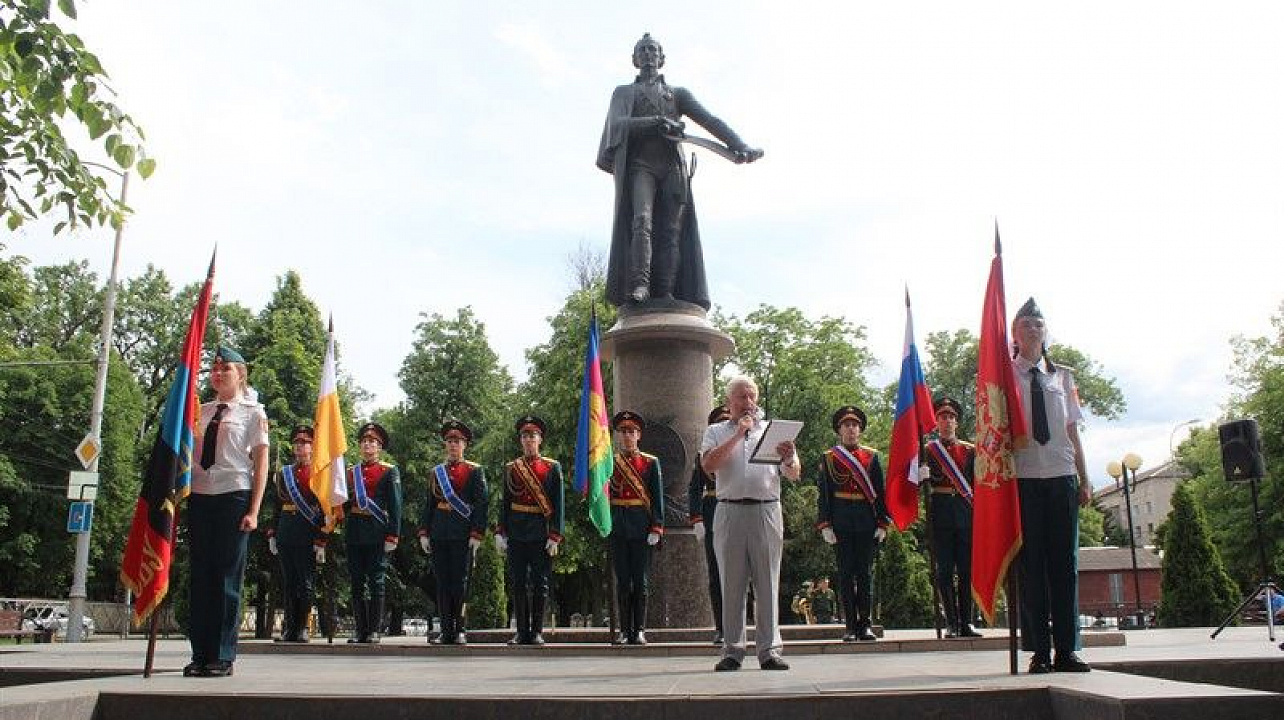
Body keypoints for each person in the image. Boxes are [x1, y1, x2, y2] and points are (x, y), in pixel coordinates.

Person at [596, 33, 762, 309]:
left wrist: (739, 145)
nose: (648, 54)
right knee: (642, 222)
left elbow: (709, 120)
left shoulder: (678, 94)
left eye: (653, 50)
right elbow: (618, 124)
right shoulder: (624, 92)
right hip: (641, 167)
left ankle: (666, 291)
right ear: (635, 59)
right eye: (643, 50)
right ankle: (640, 284)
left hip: (672, 167)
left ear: (662, 58)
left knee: (672, 230)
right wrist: (655, 121)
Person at [1011, 298, 1092, 674]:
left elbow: (1073, 430)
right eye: (1026, 323)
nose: (1033, 328)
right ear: (1014, 333)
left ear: (1046, 332)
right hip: (1024, 478)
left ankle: (1068, 649)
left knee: (1066, 566)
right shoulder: (1005, 377)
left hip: (1061, 476)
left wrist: (1085, 477)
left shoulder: (1064, 376)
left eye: (1039, 323)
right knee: (1033, 568)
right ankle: (1039, 651)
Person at [701, 375, 800, 672]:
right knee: (731, 582)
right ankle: (732, 650)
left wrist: (790, 457)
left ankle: (769, 650)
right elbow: (708, 466)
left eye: (752, 396)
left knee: (767, 581)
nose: (749, 402)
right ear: (729, 401)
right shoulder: (716, 431)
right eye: (742, 397)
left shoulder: (772, 431)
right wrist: (738, 434)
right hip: (730, 511)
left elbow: (794, 474)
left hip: (766, 510)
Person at [185, 346, 269, 677]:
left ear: (241, 374)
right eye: (214, 369)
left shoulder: (253, 413)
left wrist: (255, 509)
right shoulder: (198, 411)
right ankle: (200, 653)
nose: (218, 374)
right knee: (200, 576)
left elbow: (261, 463)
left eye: (226, 369)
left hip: (234, 496)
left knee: (226, 579)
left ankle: (222, 654)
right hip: (201, 496)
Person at [816, 405, 889, 643]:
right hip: (841, 523)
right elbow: (824, 493)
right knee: (846, 575)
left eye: (854, 425)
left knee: (865, 575)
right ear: (839, 430)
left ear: (860, 430)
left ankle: (865, 625)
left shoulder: (871, 457)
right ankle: (849, 626)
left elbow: (879, 491)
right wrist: (825, 524)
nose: (850, 429)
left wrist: (882, 522)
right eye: (846, 425)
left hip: (866, 522)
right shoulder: (829, 458)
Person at [496, 415, 565, 646]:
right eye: (525, 436)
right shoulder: (511, 468)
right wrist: (500, 531)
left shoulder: (551, 468)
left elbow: (558, 504)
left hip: (540, 532)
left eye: (532, 436)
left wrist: (555, 534)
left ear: (540, 439)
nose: (528, 440)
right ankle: (521, 631)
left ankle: (536, 631)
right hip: (516, 532)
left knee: (540, 582)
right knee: (517, 582)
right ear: (520, 440)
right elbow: (504, 502)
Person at [419, 420, 487, 645]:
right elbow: (428, 504)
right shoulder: (436, 472)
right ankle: (445, 629)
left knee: (460, 583)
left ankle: (460, 628)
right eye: (449, 441)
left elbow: (481, 504)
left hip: (462, 533)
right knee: (442, 582)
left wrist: (477, 533)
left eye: (457, 441)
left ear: (464, 444)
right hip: (439, 532)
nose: (452, 445)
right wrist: (424, 532)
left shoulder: (474, 471)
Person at [920, 396, 982, 639]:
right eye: (943, 417)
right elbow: (912, 485)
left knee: (967, 570)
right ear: (936, 421)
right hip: (940, 512)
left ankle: (967, 621)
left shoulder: (969, 450)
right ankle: (951, 623)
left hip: (966, 513)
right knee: (944, 571)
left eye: (951, 418)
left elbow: (978, 485)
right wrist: (919, 474)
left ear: (956, 422)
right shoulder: (926, 450)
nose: (947, 422)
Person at [266, 425, 328, 643]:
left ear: (313, 446)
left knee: (306, 582)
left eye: (305, 443)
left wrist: (321, 540)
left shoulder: (319, 473)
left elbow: (324, 510)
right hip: (286, 532)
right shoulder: (284, 473)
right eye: (297, 443)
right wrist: (272, 533)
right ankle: (289, 628)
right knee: (289, 582)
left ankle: (302, 627)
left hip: (307, 534)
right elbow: (275, 505)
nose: (301, 446)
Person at [608, 410, 664, 645]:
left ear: (639, 435)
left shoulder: (650, 463)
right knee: (623, 581)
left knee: (640, 581)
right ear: (618, 436)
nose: (627, 436)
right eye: (623, 432)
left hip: (642, 526)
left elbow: (657, 496)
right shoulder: (608, 462)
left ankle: (639, 629)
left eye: (631, 432)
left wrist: (657, 527)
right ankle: (623, 630)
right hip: (618, 525)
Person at [343, 422, 401, 644]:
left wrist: (393, 535)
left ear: (380, 447)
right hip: (354, 530)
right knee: (356, 581)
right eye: (365, 441)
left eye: (373, 442)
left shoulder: (388, 471)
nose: (368, 445)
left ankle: (374, 630)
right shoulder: (351, 472)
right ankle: (360, 630)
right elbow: (345, 502)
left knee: (376, 581)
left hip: (377, 532)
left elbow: (396, 505)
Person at [688, 404, 731, 644]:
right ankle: (721, 628)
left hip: (737, 509)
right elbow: (694, 488)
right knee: (716, 574)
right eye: (719, 423)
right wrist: (696, 519)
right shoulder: (703, 456)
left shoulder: (741, 448)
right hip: (713, 510)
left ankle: (739, 625)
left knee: (738, 575)